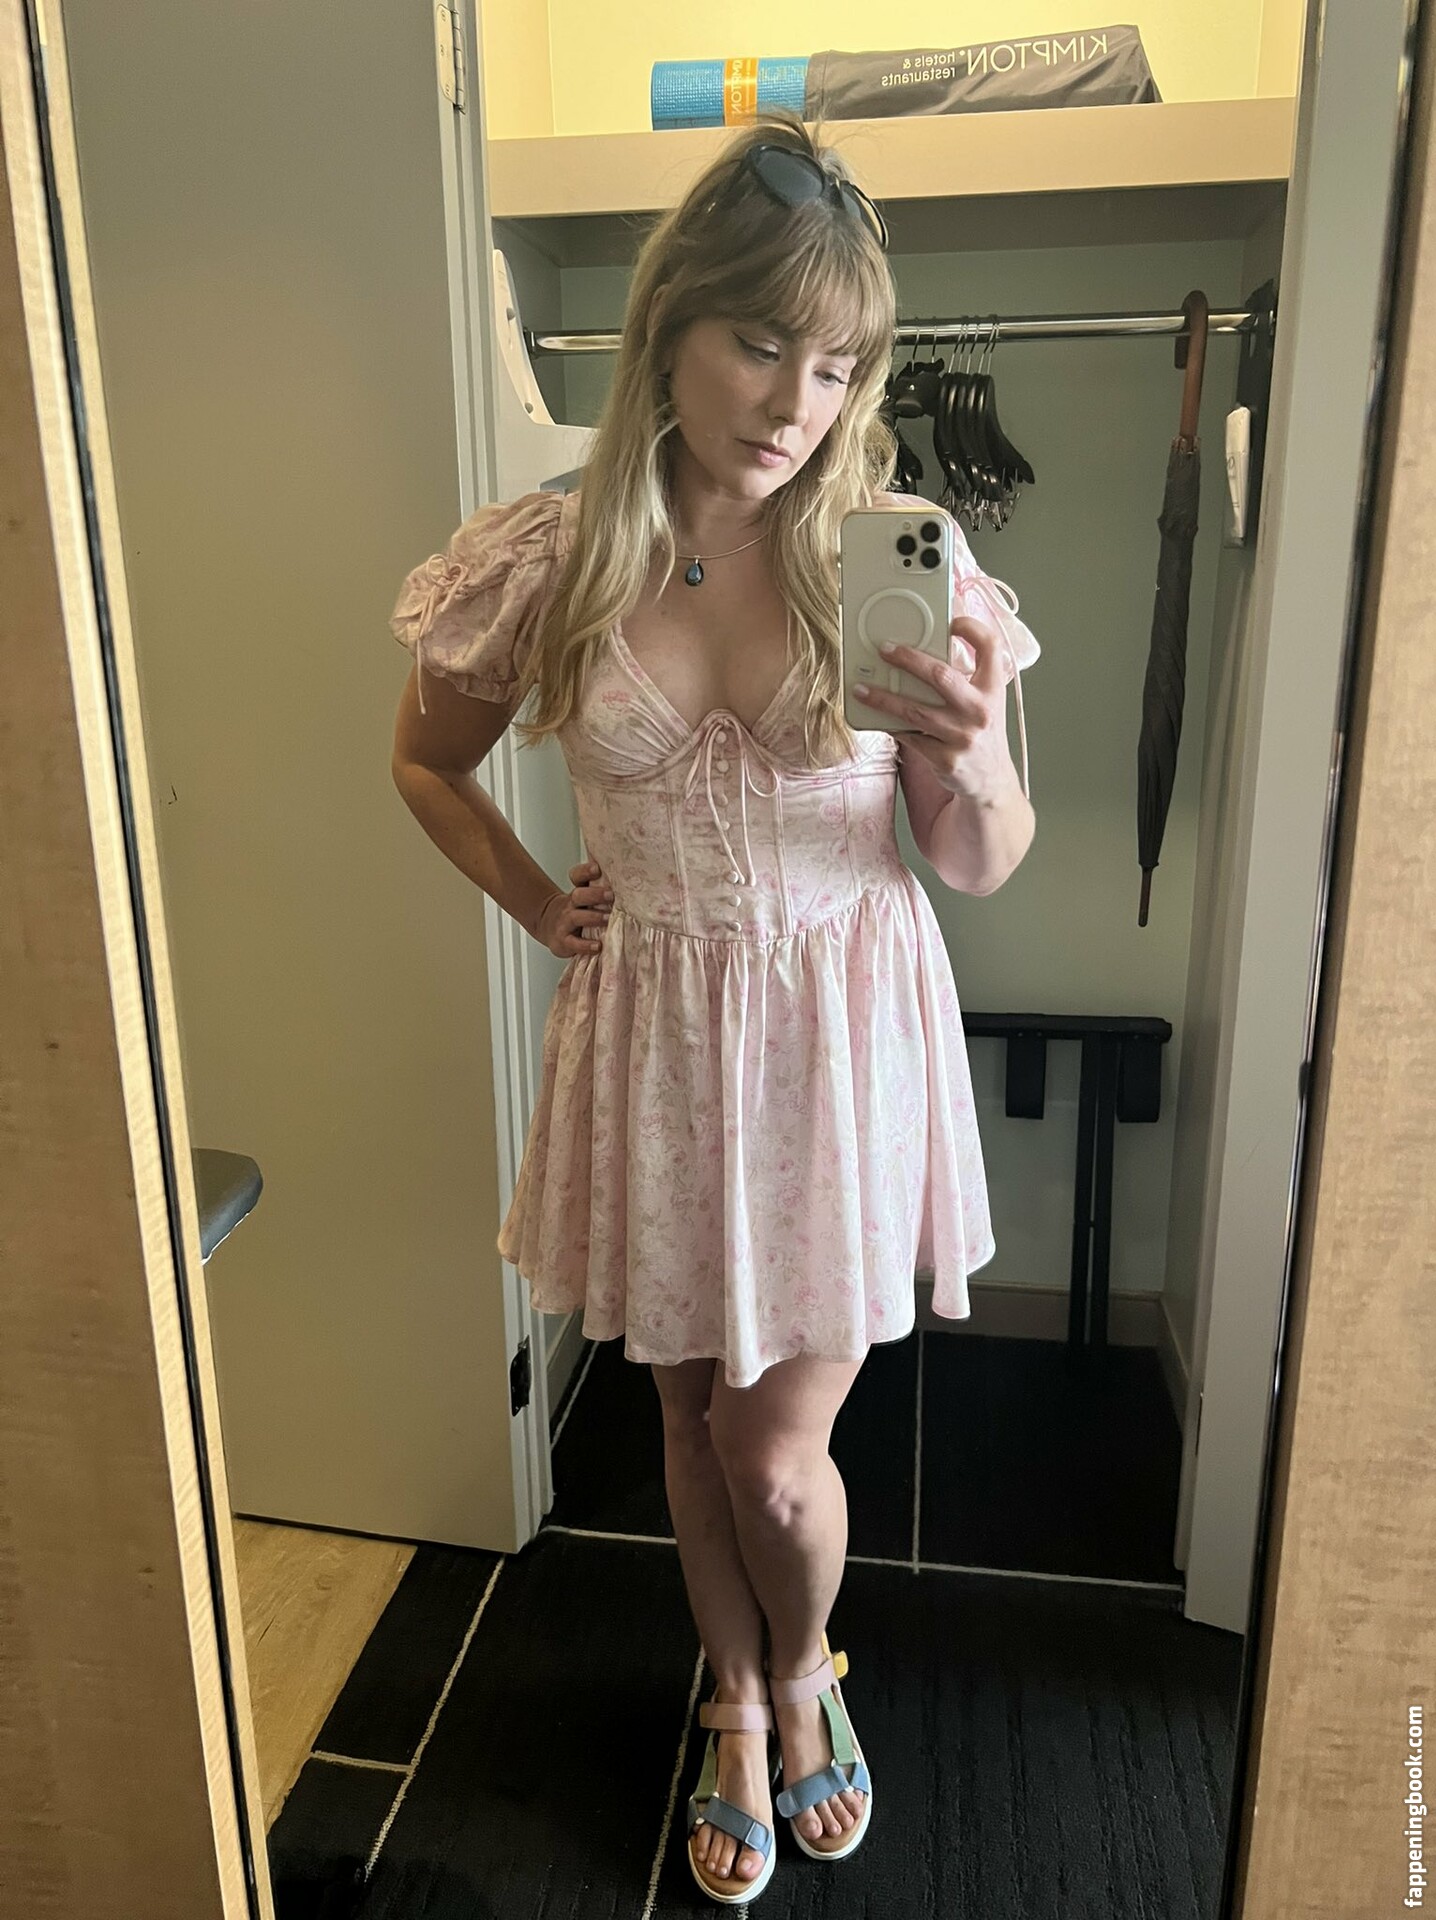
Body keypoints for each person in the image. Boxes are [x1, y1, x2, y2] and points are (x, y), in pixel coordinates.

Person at [389, 110, 1040, 1906]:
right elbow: (426, 759)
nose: (795, 405)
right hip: (658, 1041)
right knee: (683, 1423)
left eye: (836, 367)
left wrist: (979, 755)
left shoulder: (899, 556)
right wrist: (545, 904)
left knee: (772, 1459)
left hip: (839, 1043)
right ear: (670, 323)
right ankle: (737, 1702)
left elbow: (978, 859)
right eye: (761, 345)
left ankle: (808, 1667)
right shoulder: (550, 558)